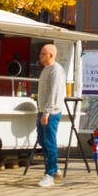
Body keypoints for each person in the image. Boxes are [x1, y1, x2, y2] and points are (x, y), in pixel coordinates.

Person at [35, 43, 66, 188]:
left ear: (51, 55)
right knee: (42, 140)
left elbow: (54, 93)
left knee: (49, 141)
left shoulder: (56, 70)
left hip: (51, 112)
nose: (40, 56)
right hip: (43, 110)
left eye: (43, 54)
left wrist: (46, 112)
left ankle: (49, 174)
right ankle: (54, 168)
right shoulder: (46, 69)